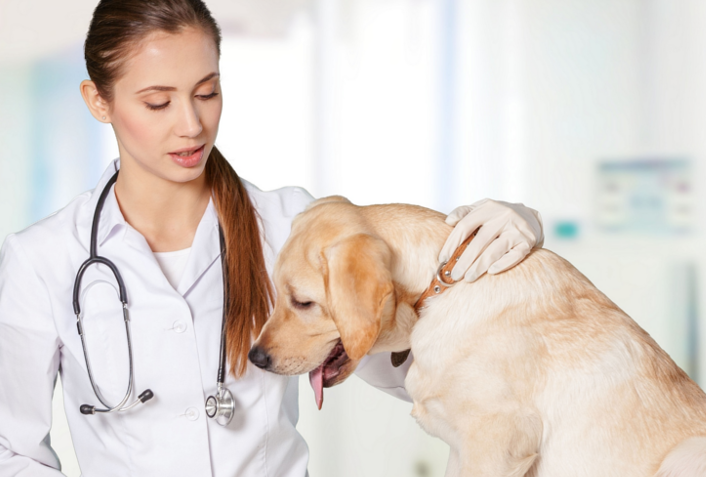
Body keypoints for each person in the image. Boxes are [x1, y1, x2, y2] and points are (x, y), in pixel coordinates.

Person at [0, 0, 544, 476]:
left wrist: (512, 246)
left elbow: (414, 357)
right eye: (158, 103)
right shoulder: (42, 259)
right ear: (99, 101)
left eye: (207, 93)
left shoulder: (293, 225)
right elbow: (11, 452)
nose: (191, 124)